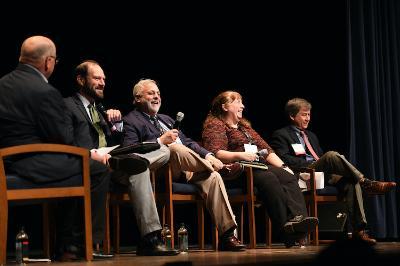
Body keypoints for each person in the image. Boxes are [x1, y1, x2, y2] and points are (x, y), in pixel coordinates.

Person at [0, 36, 113, 261]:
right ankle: (77, 244)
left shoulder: (3, 83)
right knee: (95, 169)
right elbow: (63, 138)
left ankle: (67, 243)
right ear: (48, 62)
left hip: (6, 162)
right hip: (30, 163)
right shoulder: (44, 91)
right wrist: (88, 154)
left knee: (77, 165)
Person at [64, 61, 179, 256]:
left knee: (159, 154)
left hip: (116, 161)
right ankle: (150, 239)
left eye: (104, 79)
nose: (102, 83)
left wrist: (116, 126)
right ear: (80, 80)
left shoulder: (101, 110)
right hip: (90, 163)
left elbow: (117, 141)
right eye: (97, 78)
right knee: (140, 166)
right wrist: (91, 154)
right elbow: (65, 141)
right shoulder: (67, 105)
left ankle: (150, 239)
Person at [123, 79, 246, 251]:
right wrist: (159, 141)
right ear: (137, 98)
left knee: (213, 177)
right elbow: (131, 150)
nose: (156, 97)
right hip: (160, 170)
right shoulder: (130, 120)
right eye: (151, 93)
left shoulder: (166, 119)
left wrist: (209, 154)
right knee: (173, 148)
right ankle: (213, 166)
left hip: (188, 168)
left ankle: (227, 235)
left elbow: (189, 142)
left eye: (158, 93)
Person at [270, 97, 397, 245]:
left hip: (322, 174)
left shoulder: (311, 136)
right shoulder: (281, 135)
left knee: (351, 182)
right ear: (292, 116)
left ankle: (359, 230)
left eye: (309, 114)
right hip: (303, 174)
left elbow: (322, 159)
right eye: (304, 114)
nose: (308, 118)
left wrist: (321, 163)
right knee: (331, 155)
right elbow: (284, 160)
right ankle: (367, 182)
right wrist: (314, 163)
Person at [201, 91, 318, 247]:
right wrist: (241, 155)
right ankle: (285, 231)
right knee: (268, 178)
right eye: (237, 102)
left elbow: (267, 150)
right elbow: (216, 153)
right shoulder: (215, 124)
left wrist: (284, 167)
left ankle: (299, 222)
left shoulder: (245, 128)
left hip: (256, 167)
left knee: (287, 176)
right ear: (225, 106)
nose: (242, 105)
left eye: (242, 102)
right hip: (235, 171)